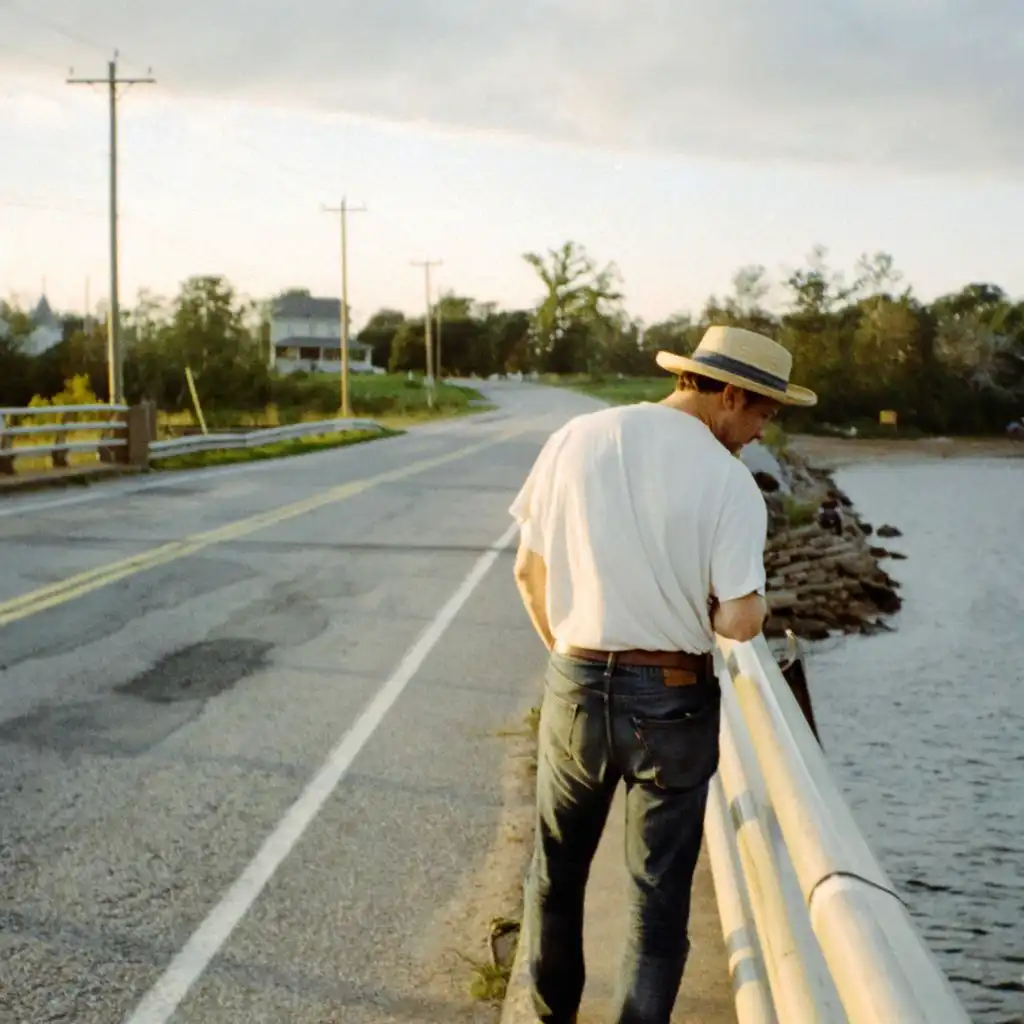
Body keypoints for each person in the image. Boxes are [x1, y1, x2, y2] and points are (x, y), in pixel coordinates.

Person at [510, 325, 816, 1024]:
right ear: (730, 394)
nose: (762, 431)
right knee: (656, 902)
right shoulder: (730, 484)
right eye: (763, 412)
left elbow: (529, 573)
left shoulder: (576, 438)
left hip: (576, 680)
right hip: (672, 701)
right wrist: (758, 602)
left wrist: (573, 658)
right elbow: (738, 622)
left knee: (556, 875)